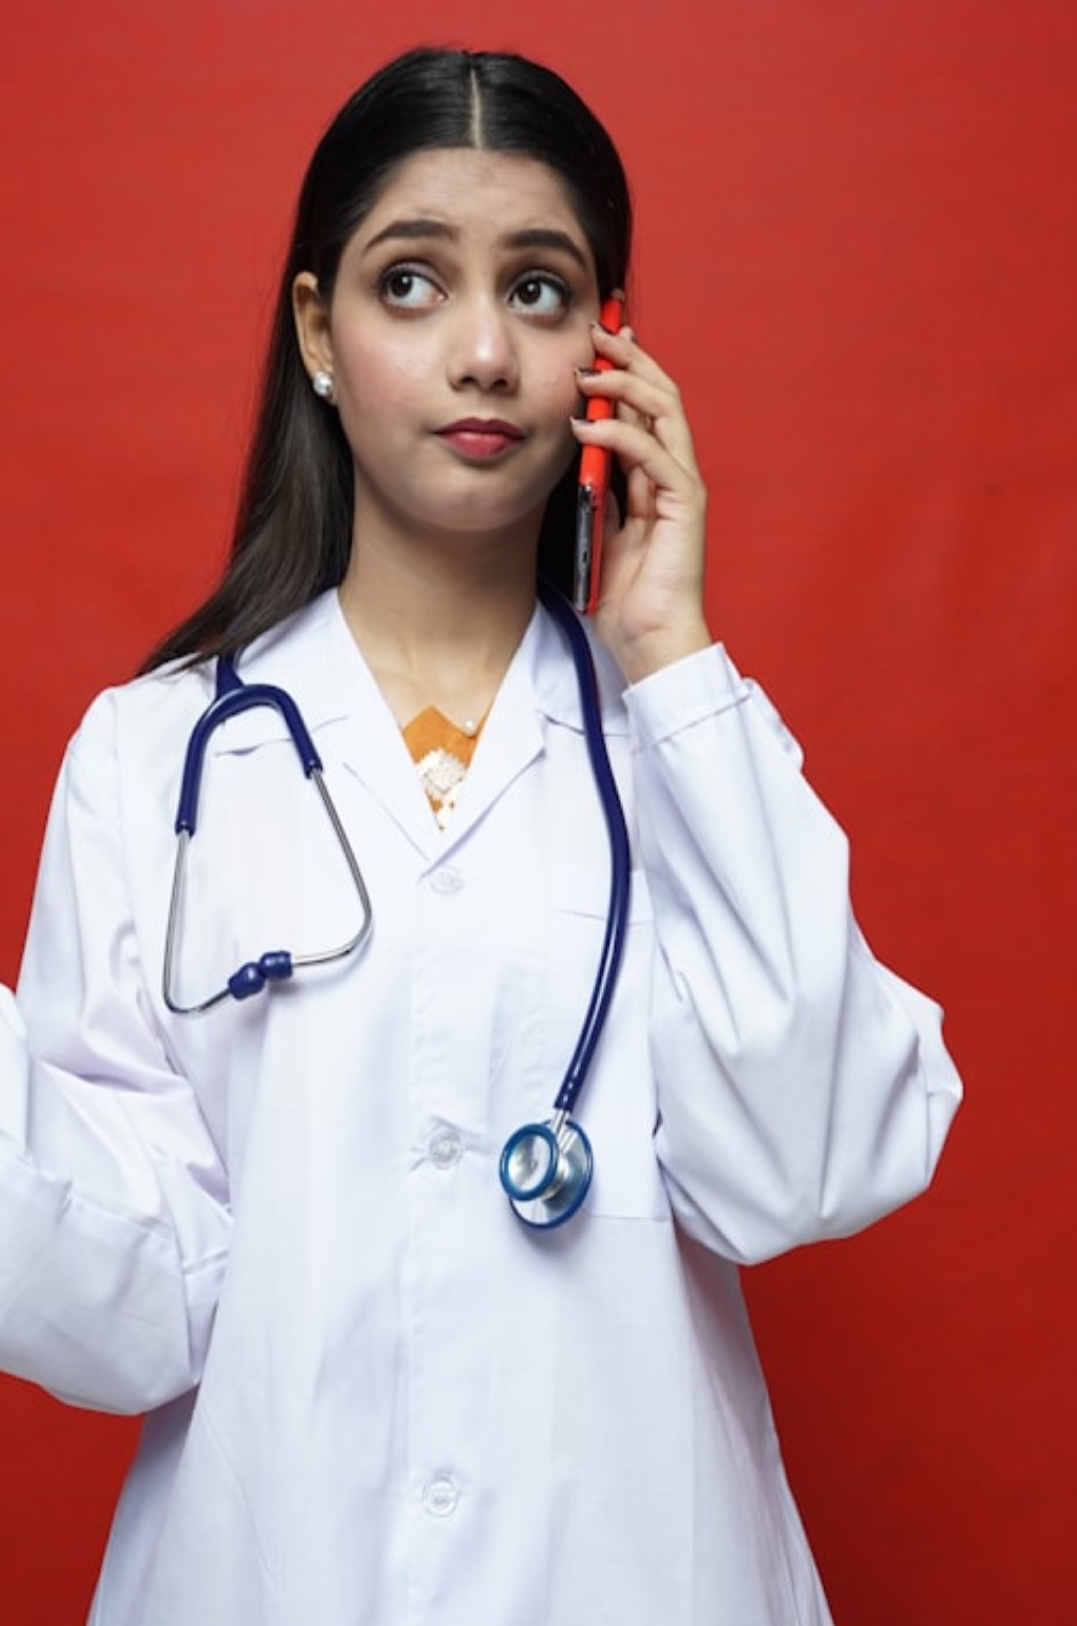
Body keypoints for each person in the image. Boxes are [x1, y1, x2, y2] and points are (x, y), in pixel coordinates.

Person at [0, 44, 962, 1626]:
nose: (480, 351)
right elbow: (139, 1303)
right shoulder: (153, 754)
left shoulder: (693, 744)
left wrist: (672, 653)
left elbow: (806, 1167)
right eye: (409, 285)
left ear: (608, 345)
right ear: (317, 330)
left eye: (538, 289)